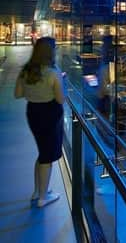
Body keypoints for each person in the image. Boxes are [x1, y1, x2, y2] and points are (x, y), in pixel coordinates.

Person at [14, 37, 66, 208]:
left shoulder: (27, 70)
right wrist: (60, 81)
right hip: (50, 115)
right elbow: (60, 99)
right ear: (50, 51)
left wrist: (35, 90)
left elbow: (18, 94)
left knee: (42, 152)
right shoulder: (53, 72)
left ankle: (37, 191)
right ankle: (43, 198)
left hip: (33, 113)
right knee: (47, 156)